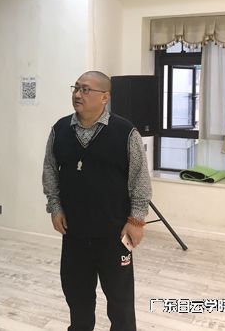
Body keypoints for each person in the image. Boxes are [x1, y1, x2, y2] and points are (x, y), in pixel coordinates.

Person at [42, 71, 152, 331]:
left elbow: (140, 178)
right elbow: (50, 169)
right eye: (76, 88)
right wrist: (55, 207)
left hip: (114, 233)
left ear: (105, 97)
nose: (78, 94)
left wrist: (137, 220)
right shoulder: (60, 129)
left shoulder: (125, 132)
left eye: (86, 89)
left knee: (120, 302)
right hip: (74, 233)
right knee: (77, 296)